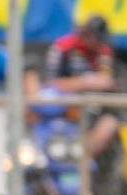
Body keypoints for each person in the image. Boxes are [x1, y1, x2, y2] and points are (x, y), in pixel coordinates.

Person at [44, 15, 121, 158]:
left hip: (95, 110)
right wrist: (84, 82)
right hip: (64, 109)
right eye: (96, 39)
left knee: (110, 122)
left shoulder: (105, 51)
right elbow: (49, 84)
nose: (99, 44)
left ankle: (83, 161)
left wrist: (107, 82)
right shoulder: (63, 47)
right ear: (87, 35)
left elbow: (114, 81)